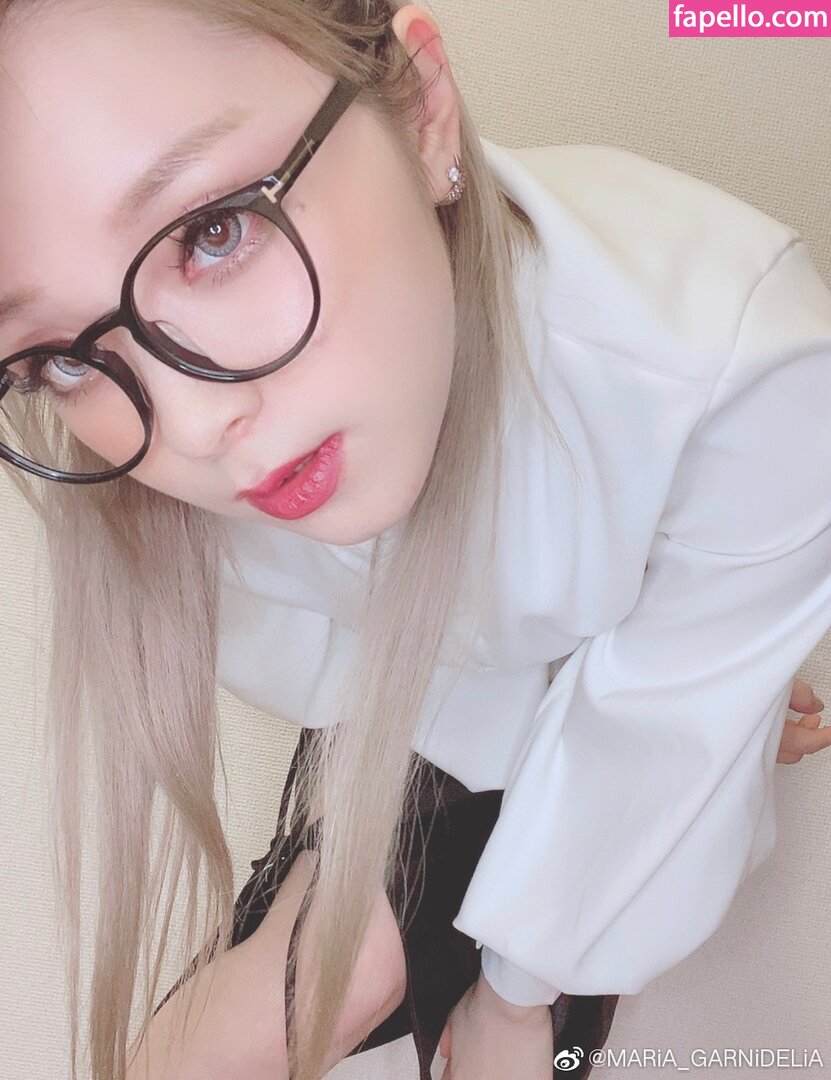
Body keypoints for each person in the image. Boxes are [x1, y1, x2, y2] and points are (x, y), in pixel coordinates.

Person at [0, 2, 829, 1079]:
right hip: (411, 696)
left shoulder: (741, 364)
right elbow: (351, 660)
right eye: (58, 359)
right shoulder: (162, 469)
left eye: (215, 232)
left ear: (423, 104)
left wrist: (518, 996)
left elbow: (658, 747)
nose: (192, 425)